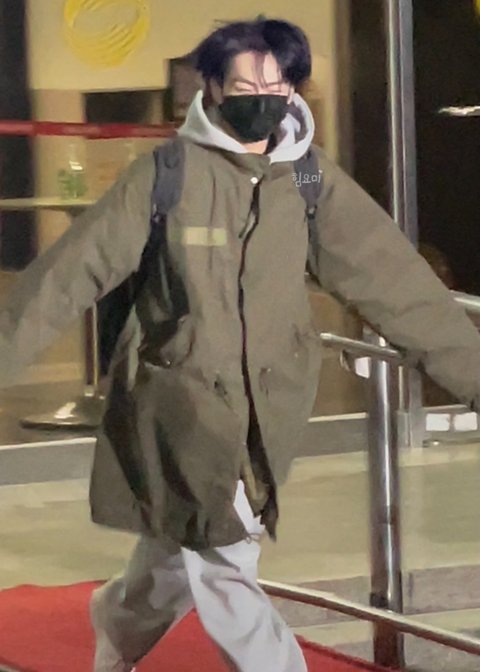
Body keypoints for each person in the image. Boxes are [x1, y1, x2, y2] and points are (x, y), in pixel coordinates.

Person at [1, 18, 480, 672]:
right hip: (184, 405)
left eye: (276, 86)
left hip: (268, 410)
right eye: (245, 86)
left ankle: (117, 619)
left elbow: (398, 286)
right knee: (225, 562)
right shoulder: (169, 175)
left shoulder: (309, 183)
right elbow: (62, 281)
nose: (263, 99)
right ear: (213, 89)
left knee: (177, 552)